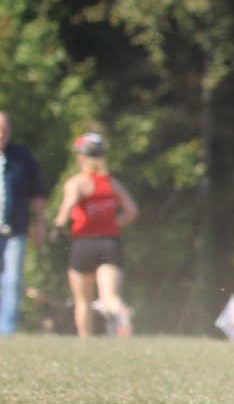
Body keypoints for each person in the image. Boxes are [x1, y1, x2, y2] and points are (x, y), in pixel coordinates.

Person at [52, 132, 138, 337]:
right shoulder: (112, 183)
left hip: (84, 244)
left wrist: (57, 224)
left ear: (80, 157)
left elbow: (67, 206)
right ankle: (121, 312)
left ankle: (85, 340)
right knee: (109, 297)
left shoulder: (77, 183)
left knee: (83, 301)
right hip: (110, 242)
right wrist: (114, 222)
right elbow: (132, 211)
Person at [0, 112, 47, 336]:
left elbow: (37, 193)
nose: (1, 135)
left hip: (15, 229)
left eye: (4, 130)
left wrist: (40, 223)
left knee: (12, 280)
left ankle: (6, 331)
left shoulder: (22, 158)